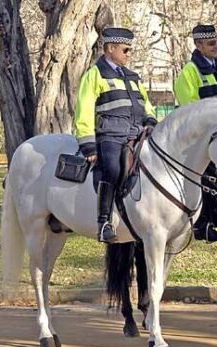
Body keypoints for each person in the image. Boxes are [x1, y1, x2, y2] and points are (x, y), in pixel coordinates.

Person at [75, 27, 157, 243]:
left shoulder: (133, 76)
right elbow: (83, 110)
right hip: (110, 135)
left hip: (138, 134)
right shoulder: (94, 74)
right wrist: (88, 145)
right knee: (111, 169)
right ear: (110, 48)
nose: (129, 54)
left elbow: (146, 104)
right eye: (126, 50)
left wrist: (150, 119)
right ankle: (103, 223)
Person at [174, 24, 217, 243]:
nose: (216, 46)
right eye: (211, 43)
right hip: (200, 137)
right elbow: (188, 106)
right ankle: (203, 224)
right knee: (208, 173)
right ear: (199, 45)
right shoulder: (190, 71)